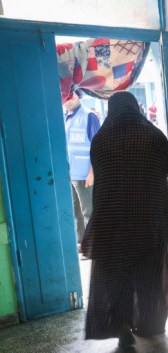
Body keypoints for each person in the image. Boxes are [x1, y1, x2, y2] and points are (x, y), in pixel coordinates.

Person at [82, 91, 168, 347]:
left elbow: (100, 174)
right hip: (151, 220)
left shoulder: (101, 140)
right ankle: (149, 325)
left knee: (118, 277)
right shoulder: (155, 136)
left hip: (114, 223)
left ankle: (121, 326)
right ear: (136, 108)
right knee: (149, 276)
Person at [63, 89, 101, 253]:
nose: (67, 99)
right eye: (64, 97)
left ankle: (93, 247)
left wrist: (92, 172)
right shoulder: (65, 117)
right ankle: (81, 244)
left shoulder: (88, 116)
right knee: (75, 211)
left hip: (85, 175)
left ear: (78, 95)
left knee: (88, 212)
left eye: (70, 95)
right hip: (70, 174)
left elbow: (98, 147)